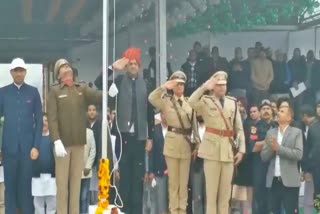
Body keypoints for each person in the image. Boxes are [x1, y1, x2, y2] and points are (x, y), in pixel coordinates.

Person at [95, 47, 154, 214]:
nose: (133, 66)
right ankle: (124, 210)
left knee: (138, 177)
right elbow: (99, 82)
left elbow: (150, 112)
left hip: (140, 138)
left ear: (139, 66)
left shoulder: (147, 84)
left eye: (135, 64)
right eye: (130, 64)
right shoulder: (119, 81)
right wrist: (112, 68)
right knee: (125, 176)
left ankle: (137, 211)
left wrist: (150, 137)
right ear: (126, 67)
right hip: (122, 136)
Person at [47, 59, 102, 214]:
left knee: (76, 186)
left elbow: (97, 96)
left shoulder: (81, 88)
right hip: (62, 146)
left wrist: (109, 89)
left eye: (68, 66)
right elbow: (52, 118)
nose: (67, 68)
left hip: (79, 144)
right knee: (62, 187)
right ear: (58, 75)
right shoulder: (55, 91)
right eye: (63, 67)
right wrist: (56, 140)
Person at [188, 71, 245, 214]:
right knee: (211, 195)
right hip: (211, 151)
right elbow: (191, 102)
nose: (221, 88)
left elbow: (239, 128)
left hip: (227, 151)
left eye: (224, 85)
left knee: (225, 196)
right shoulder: (206, 100)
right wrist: (203, 87)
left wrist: (242, 150)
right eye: (218, 85)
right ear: (213, 86)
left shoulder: (232, 103)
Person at [148, 71, 199, 214]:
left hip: (186, 143)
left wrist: (197, 145)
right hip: (171, 143)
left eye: (182, 84)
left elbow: (194, 124)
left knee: (183, 184)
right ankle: (173, 210)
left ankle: (181, 211)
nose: (179, 86)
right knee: (173, 184)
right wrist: (164, 86)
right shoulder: (166, 101)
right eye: (177, 84)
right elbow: (151, 98)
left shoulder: (190, 102)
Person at [0, 58, 43, 214]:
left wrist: (36, 146)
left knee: (25, 187)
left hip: (28, 150)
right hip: (8, 149)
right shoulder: (3, 92)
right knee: (10, 188)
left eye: (21, 70)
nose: (18, 73)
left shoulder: (33, 92)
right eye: (15, 70)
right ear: (11, 72)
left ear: (25, 72)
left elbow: (39, 120)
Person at [261, 106, 303, 213]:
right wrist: (272, 148)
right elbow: (264, 156)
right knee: (274, 211)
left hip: (290, 181)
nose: (278, 113)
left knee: (290, 211)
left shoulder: (296, 132)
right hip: (273, 181)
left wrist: (279, 149)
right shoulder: (271, 133)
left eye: (282, 111)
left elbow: (298, 154)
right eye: (278, 110)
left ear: (289, 117)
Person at [32, 114, 56, 214]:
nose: (44, 123)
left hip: (52, 177)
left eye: (46, 120)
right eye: (42, 121)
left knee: (52, 205)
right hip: (37, 176)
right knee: (38, 206)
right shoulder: (33, 138)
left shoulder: (54, 139)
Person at [80, 128, 96, 214]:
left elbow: (93, 150)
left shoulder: (89, 132)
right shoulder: (71, 131)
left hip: (86, 171)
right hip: (74, 171)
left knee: (84, 197)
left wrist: (88, 166)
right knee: (75, 197)